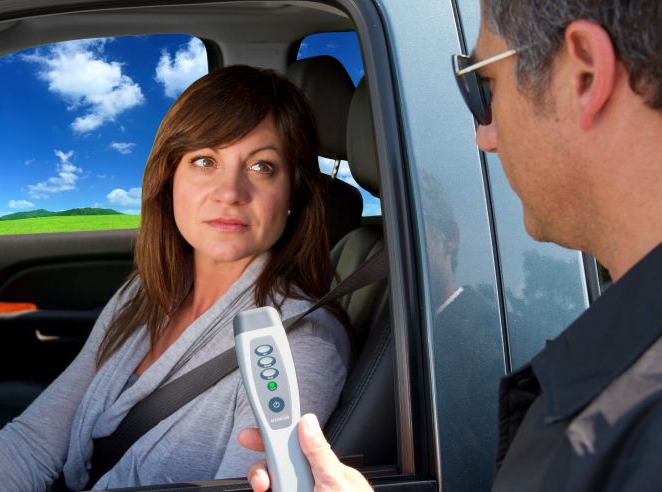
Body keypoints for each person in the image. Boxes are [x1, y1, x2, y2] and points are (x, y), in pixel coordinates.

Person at [240, 0, 662, 490]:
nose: (484, 137)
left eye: (483, 87)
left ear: (582, 76)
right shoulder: (623, 379)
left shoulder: (636, 420)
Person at [0, 65, 351, 491]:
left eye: (262, 166)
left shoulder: (296, 346)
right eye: (205, 161)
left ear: (292, 191)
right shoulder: (143, 292)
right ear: (169, 178)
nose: (230, 192)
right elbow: (32, 445)